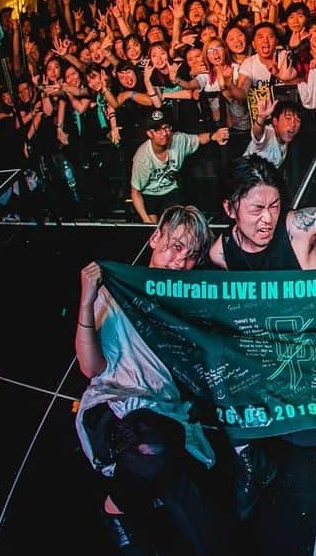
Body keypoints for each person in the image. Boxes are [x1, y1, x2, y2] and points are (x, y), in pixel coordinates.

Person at [75, 206, 222, 555]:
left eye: (190, 256)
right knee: (151, 446)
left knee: (199, 514)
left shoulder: (187, 306)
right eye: (174, 246)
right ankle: (115, 509)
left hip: (165, 412)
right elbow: (90, 368)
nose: (178, 262)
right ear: (154, 238)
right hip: (114, 407)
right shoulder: (119, 291)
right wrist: (86, 299)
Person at [129, 109, 229, 223]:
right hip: (149, 194)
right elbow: (135, 192)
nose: (164, 133)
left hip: (171, 191)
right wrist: (147, 222)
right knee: (153, 226)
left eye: (166, 127)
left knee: (176, 224)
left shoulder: (178, 140)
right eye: (157, 130)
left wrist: (214, 136)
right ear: (149, 133)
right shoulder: (142, 157)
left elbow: (199, 139)